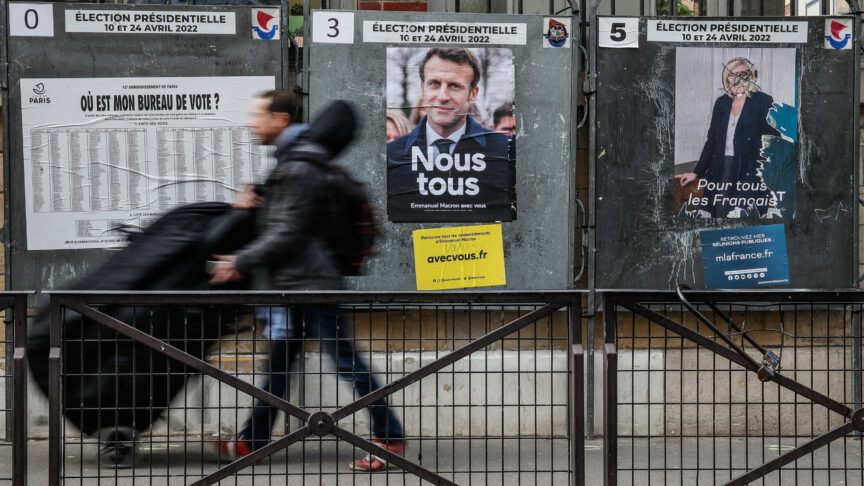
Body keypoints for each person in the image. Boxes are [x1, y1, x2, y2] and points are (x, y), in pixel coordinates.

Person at [209, 91, 405, 471]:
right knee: (279, 366)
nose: (253, 123)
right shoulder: (296, 161)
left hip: (311, 286)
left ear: (280, 119)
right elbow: (292, 220)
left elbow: (288, 233)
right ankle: (252, 441)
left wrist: (240, 261)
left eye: (258, 115)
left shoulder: (299, 165)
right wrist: (260, 199)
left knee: (347, 362)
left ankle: (390, 439)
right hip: (297, 285)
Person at [387, 48, 515, 222]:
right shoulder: (391, 155)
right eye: (434, 84)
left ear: (473, 94)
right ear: (423, 89)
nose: (442, 96)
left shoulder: (507, 151)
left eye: (455, 86)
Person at [674, 57, 782, 218]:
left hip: (750, 170)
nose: (737, 79)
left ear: (751, 77)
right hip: (721, 168)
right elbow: (712, 141)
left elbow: (773, 141)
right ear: (726, 79)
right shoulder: (721, 103)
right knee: (718, 213)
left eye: (743, 74)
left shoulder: (763, 101)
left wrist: (767, 173)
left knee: (740, 215)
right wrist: (696, 172)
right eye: (732, 75)